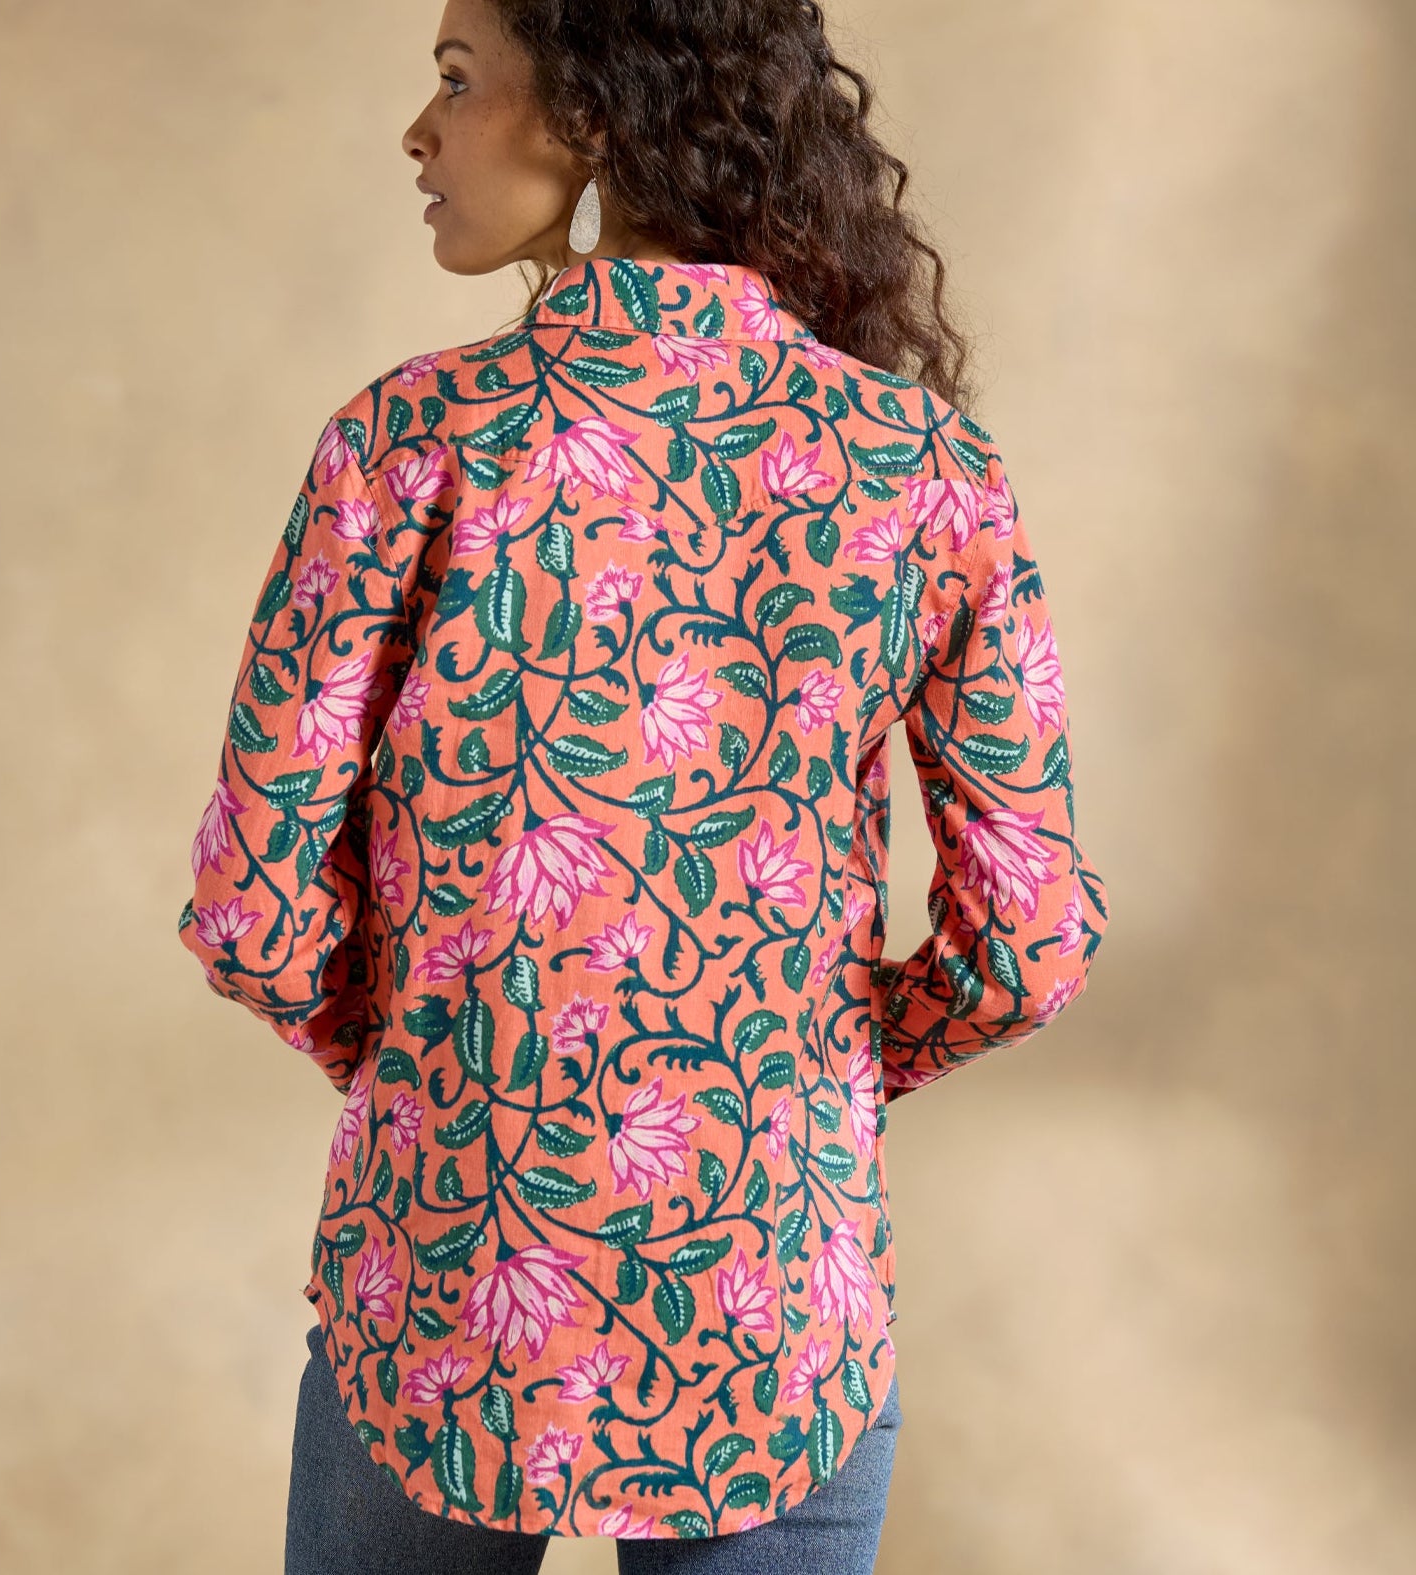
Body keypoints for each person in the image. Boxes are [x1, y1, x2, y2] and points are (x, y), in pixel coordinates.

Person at [175, 1, 1112, 1568]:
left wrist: (439, 1059)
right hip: (774, 1304)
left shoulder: (408, 446)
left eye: (457, 81)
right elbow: (1027, 944)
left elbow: (253, 916)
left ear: (597, 110)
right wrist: (807, 1073)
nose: (420, 131)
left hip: (444, 1288)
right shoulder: (927, 472)